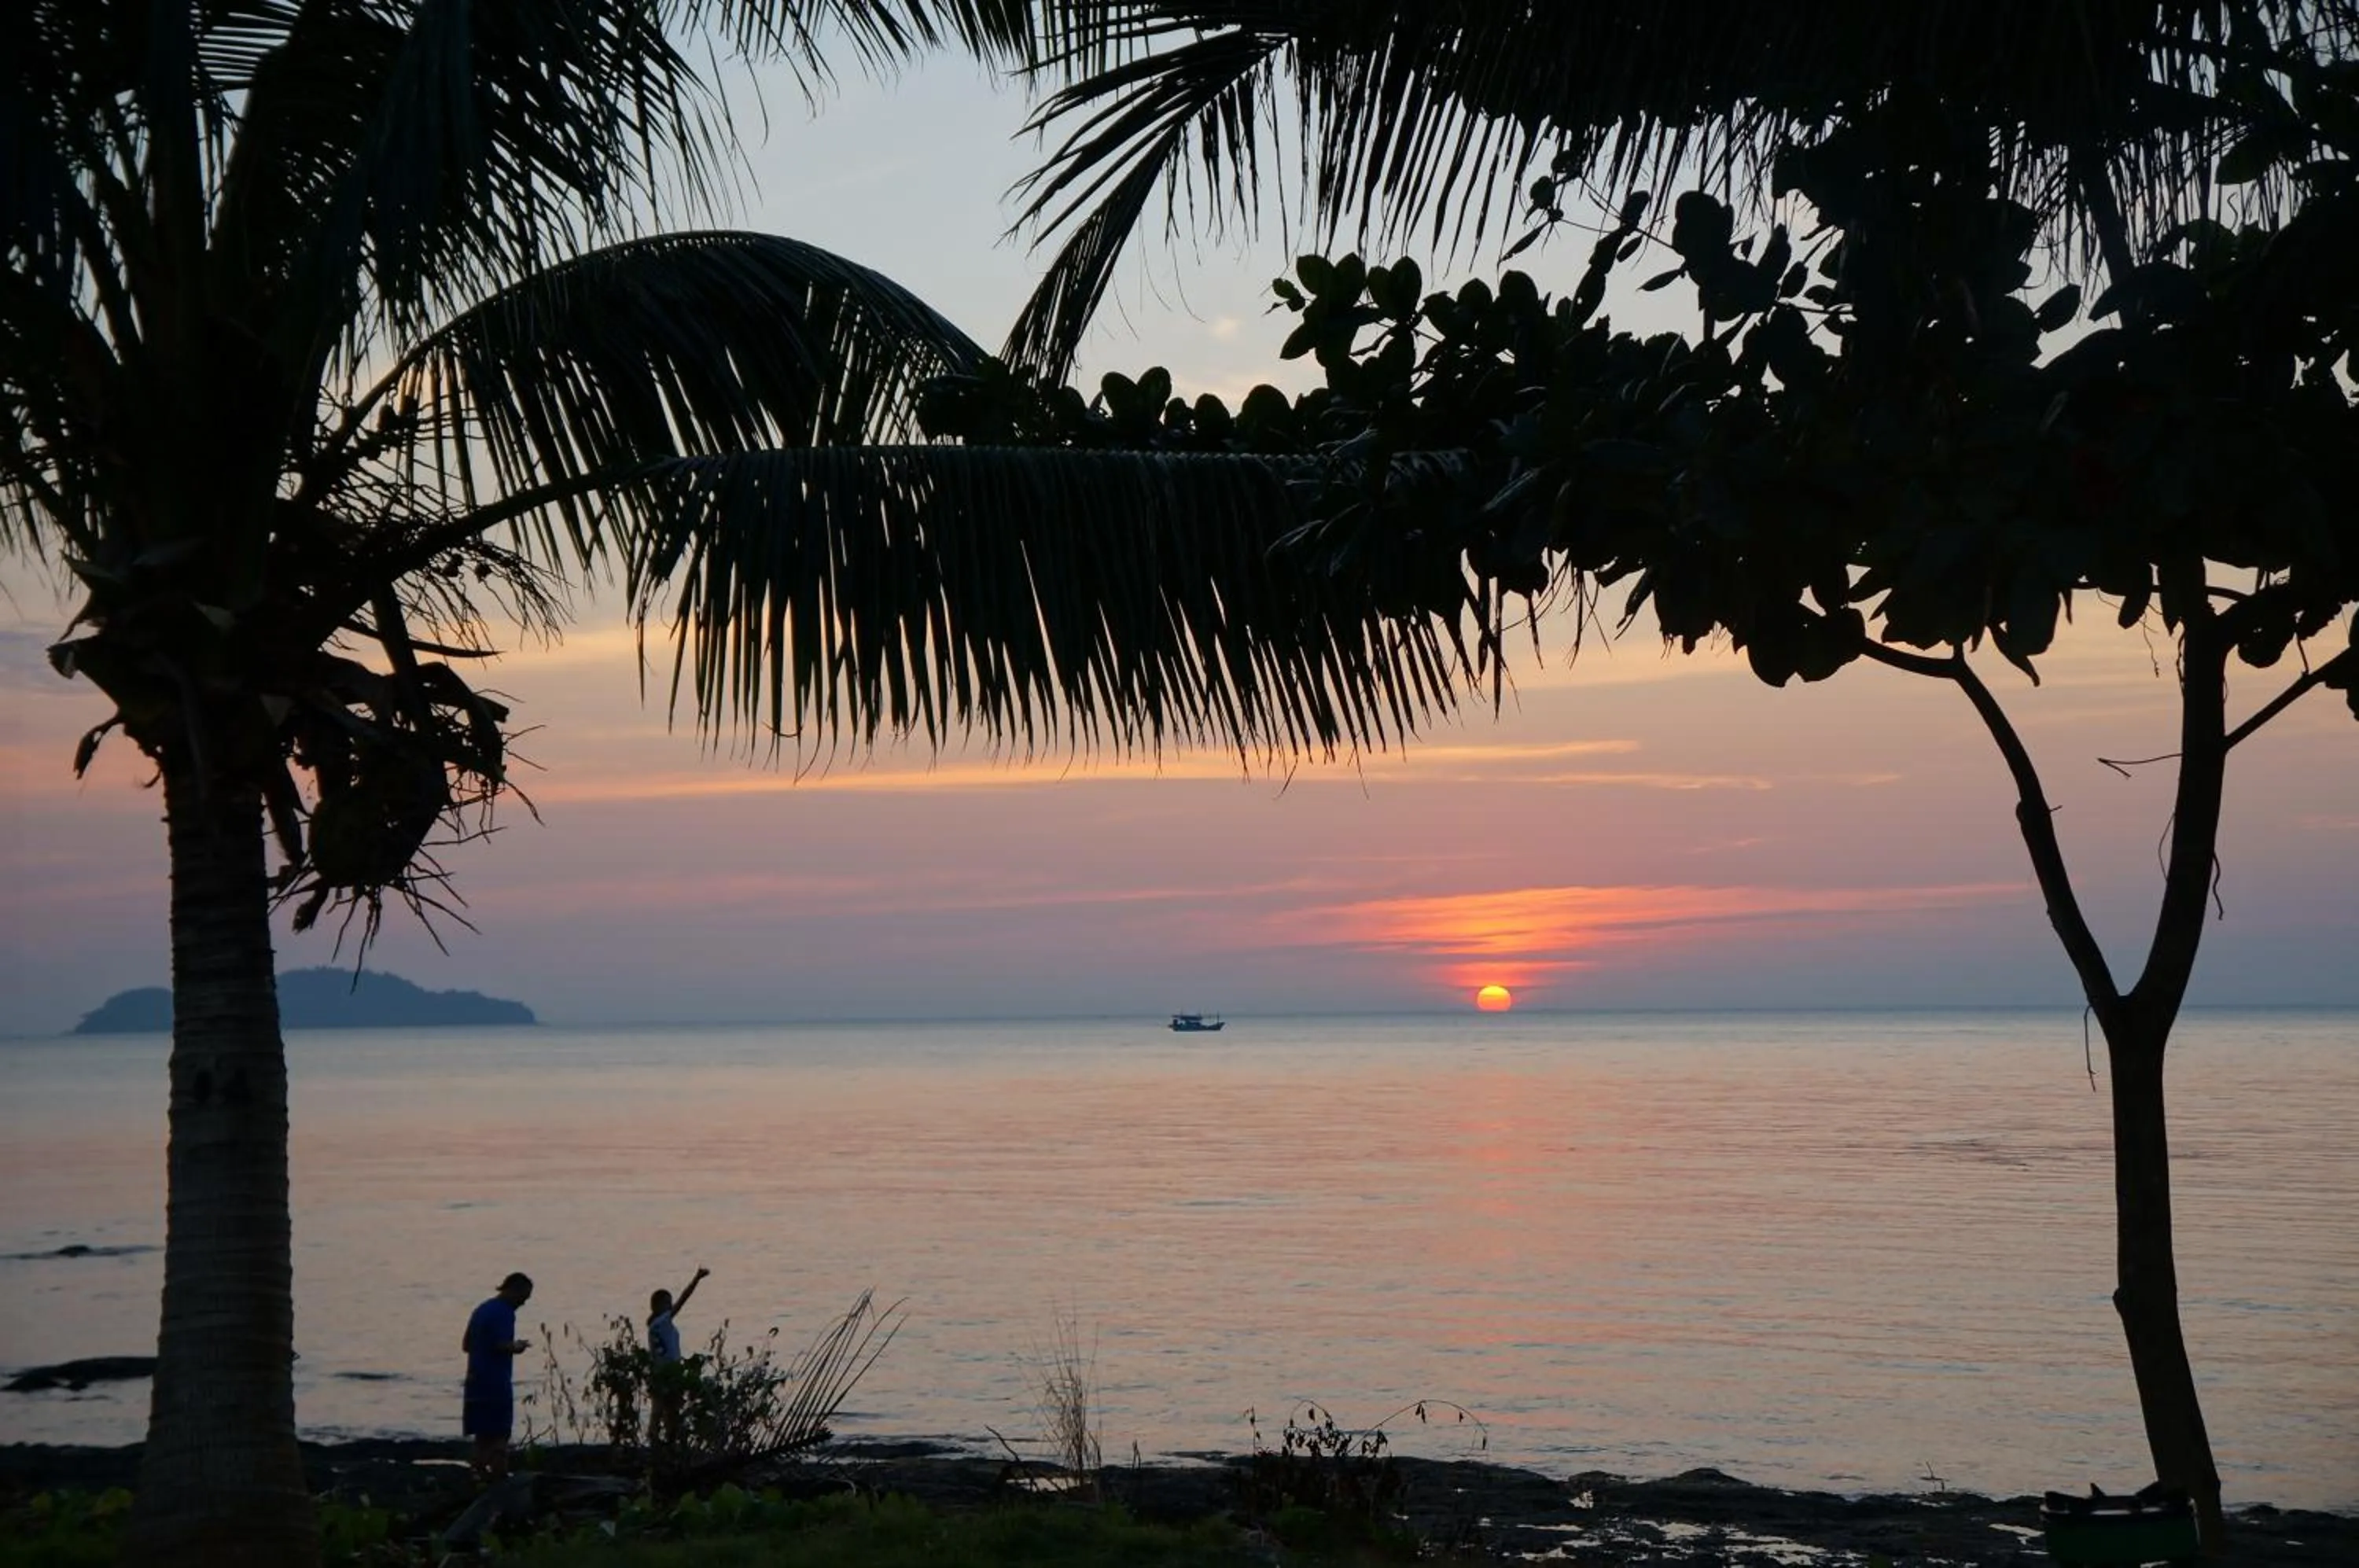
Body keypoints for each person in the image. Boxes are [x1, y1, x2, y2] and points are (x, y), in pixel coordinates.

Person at [462, 1272, 533, 1480]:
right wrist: (517, 1347)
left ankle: (476, 1472)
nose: (523, 1303)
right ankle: (499, 1476)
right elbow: (501, 1345)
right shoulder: (505, 1312)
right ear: (513, 1290)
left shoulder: (482, 1309)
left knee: (483, 1434)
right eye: (523, 1297)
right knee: (501, 1433)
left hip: (475, 1380)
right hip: (495, 1382)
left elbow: (466, 1345)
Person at [646, 1265, 708, 1450]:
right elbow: (684, 1299)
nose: (670, 1307)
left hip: (665, 1372)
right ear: (659, 1306)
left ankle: (665, 1442)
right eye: (667, 1303)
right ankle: (660, 1441)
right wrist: (696, 1279)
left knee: (666, 1410)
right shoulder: (661, 1322)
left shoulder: (656, 1325)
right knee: (665, 1410)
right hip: (667, 1372)